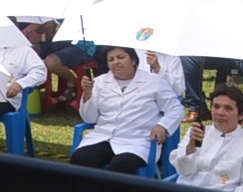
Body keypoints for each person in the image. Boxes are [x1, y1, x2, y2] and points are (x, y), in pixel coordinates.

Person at [74, 47, 184, 177]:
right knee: (81, 158)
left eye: (121, 57)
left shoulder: (154, 82)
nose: (116, 62)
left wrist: (162, 126)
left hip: (136, 141)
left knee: (122, 165)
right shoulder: (99, 82)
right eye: (111, 59)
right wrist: (88, 95)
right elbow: (89, 119)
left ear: (133, 60)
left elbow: (175, 109)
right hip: (103, 137)